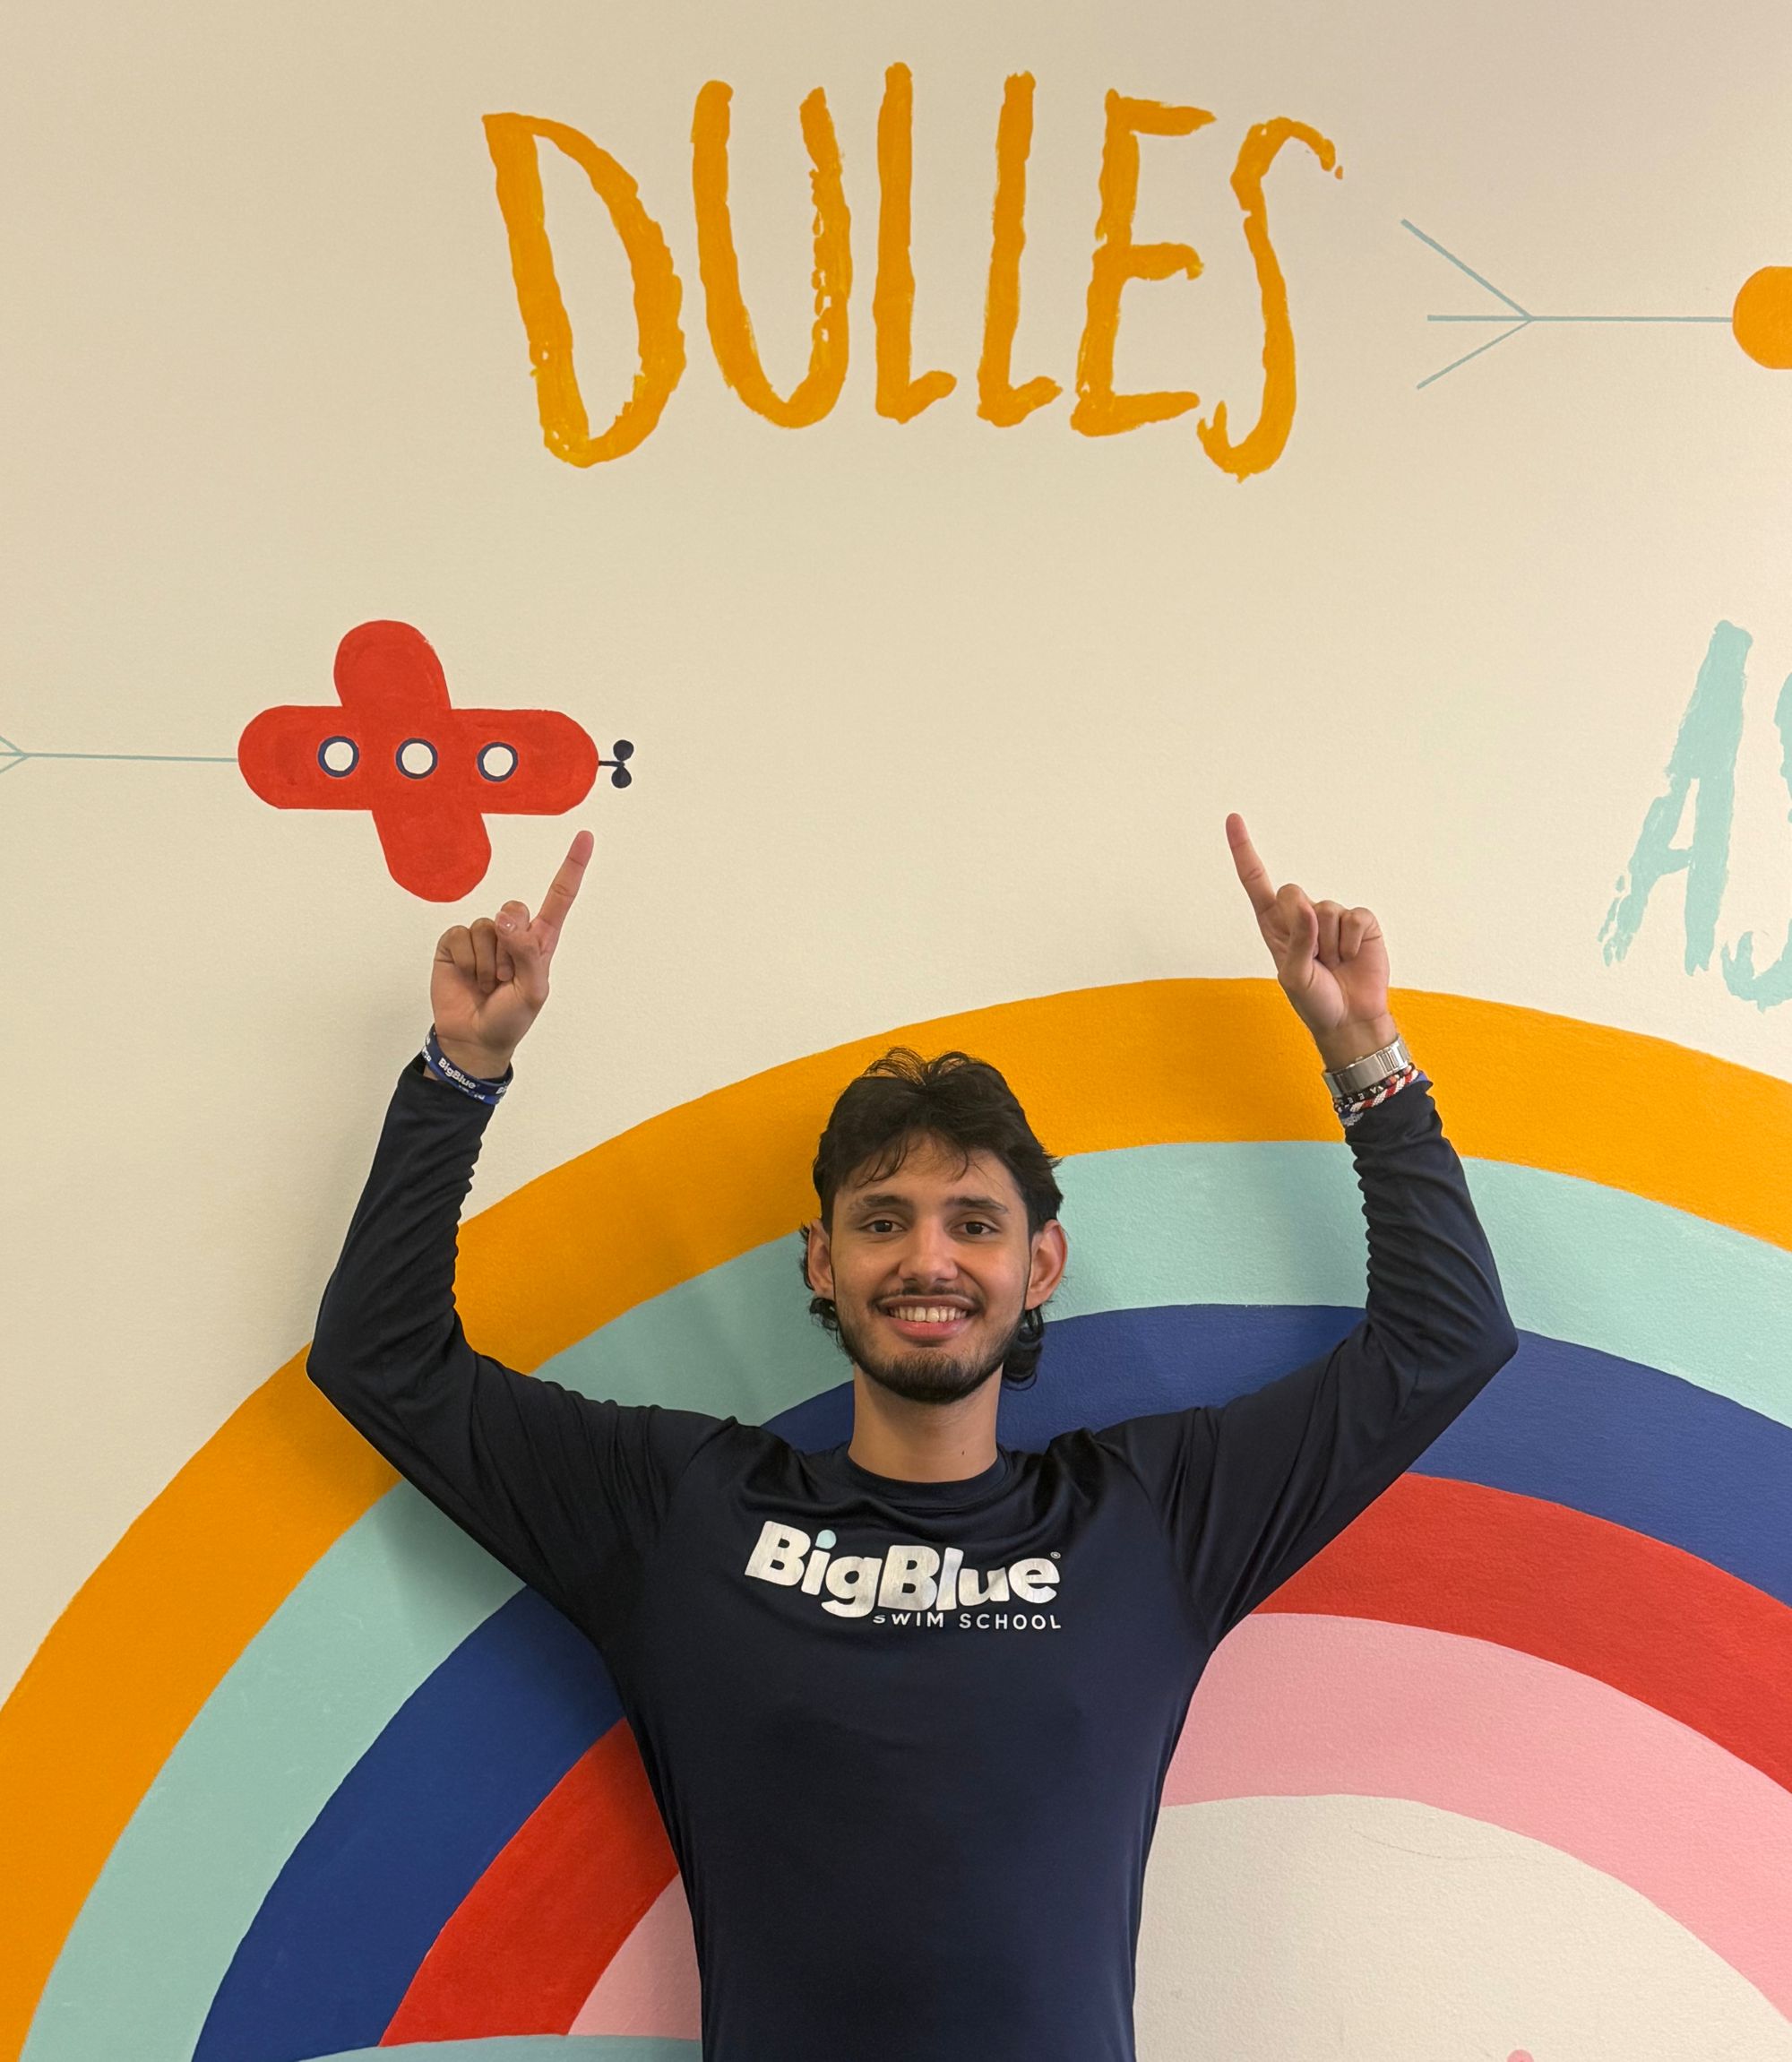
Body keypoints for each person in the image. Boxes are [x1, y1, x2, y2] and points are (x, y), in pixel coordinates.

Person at [306, 812, 1519, 2062]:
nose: (928, 1257)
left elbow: (1447, 1339)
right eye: (883, 1220)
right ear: (823, 1263)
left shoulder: (1151, 1521)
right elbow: (380, 1359)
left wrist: (1363, 1045)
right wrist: (461, 1073)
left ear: (1039, 1263)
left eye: (974, 1223)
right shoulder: (679, 1515)